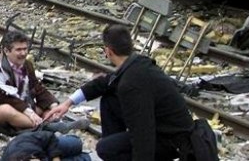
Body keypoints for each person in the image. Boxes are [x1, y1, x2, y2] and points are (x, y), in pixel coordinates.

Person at [44, 25, 196, 161]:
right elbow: (103, 83)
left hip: (174, 141)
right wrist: (68, 102)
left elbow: (143, 134)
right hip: (167, 130)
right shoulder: (137, 64)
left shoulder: (131, 85)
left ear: (108, 51)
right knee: (110, 99)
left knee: (105, 149)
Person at [0, 30, 59, 134]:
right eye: (18, 50)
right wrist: (30, 113)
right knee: (6, 110)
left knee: (44, 106)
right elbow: (5, 98)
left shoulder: (27, 65)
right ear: (6, 51)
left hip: (19, 104)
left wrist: (54, 106)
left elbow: (37, 88)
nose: (23, 53)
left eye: (25, 49)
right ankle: (44, 126)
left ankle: (43, 121)